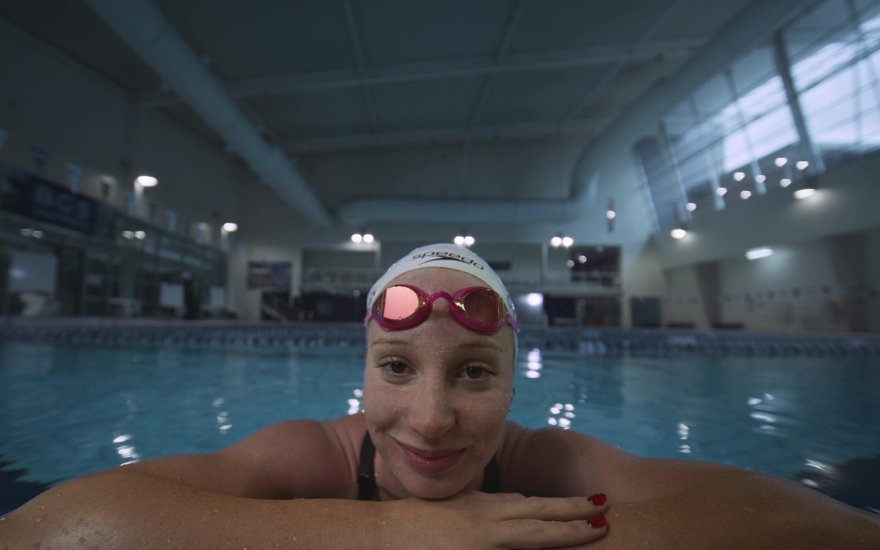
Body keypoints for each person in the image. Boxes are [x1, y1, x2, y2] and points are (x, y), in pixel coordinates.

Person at [2, 243, 879, 549]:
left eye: (472, 373)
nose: (429, 421)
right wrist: (392, 534)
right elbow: (40, 531)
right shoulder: (313, 457)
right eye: (396, 367)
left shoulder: (549, 463)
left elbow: (828, 532)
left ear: (512, 381)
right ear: (362, 372)